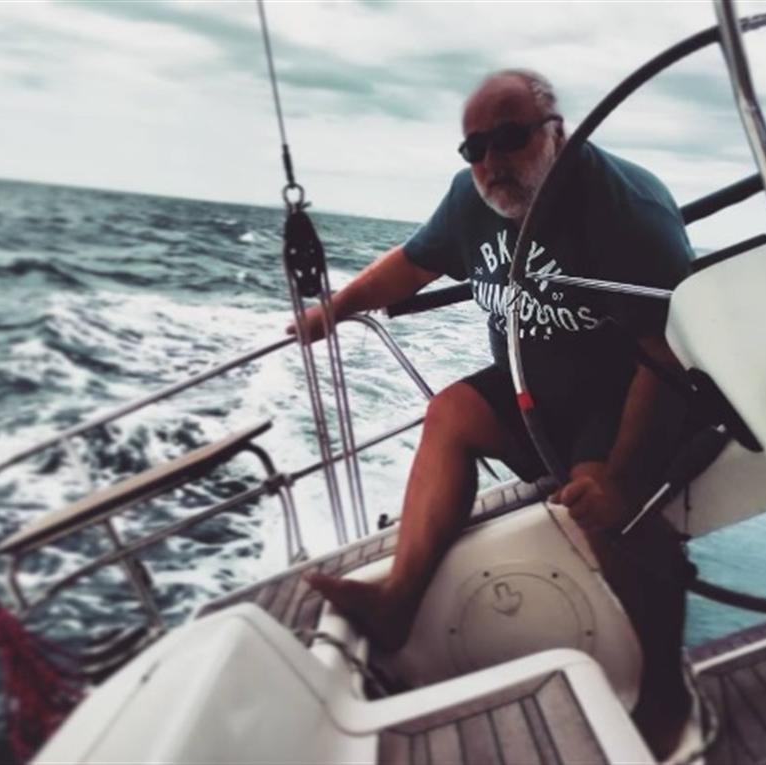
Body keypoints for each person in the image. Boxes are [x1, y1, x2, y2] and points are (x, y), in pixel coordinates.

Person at [292, 69, 694, 759]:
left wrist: (621, 473)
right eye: (473, 148)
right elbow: (414, 263)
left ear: (556, 133)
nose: (490, 161)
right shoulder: (470, 199)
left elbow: (666, 354)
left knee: (606, 511)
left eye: (509, 138)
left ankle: (664, 694)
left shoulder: (627, 210)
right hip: (532, 385)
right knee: (450, 413)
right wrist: (336, 308)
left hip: (623, 391)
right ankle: (397, 603)